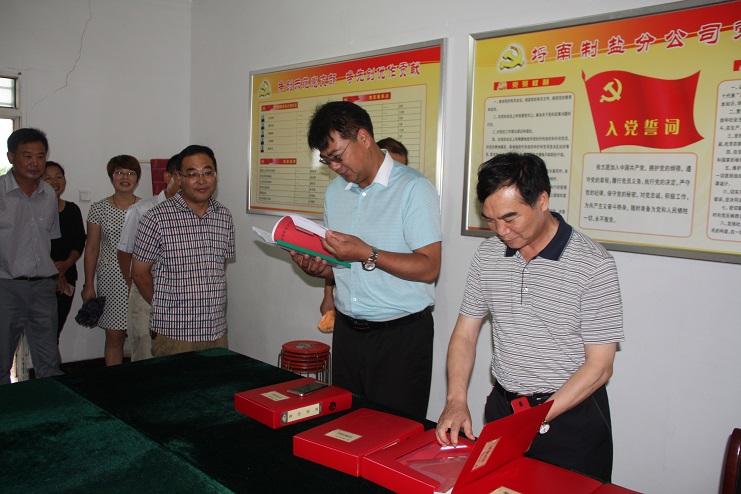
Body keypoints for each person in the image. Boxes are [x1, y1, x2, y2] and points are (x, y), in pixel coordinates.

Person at [435, 152, 624, 482]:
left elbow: (600, 366)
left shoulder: (594, 265)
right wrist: (456, 399)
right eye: (490, 220)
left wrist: (534, 419)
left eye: (510, 218)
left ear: (542, 201)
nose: (501, 231)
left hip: (569, 417)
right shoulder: (488, 255)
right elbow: (465, 333)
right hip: (504, 410)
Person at [291, 101, 441, 418]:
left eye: (337, 156)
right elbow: (342, 263)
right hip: (347, 332)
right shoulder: (335, 192)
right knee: (346, 428)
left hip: (399, 337)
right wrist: (319, 267)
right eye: (327, 160)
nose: (334, 167)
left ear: (363, 137)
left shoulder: (413, 188)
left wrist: (367, 252)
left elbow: (429, 267)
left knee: (394, 432)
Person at [131, 145, 235, 357]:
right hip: (174, 334)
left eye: (207, 173)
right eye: (192, 174)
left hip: (215, 329)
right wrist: (165, 305)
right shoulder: (156, 218)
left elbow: (219, 266)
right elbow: (139, 273)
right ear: (179, 178)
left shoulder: (224, 216)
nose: (202, 181)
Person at [0, 128, 63, 384]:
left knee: (49, 361)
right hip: (6, 287)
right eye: (27, 156)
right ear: (11, 157)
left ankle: (53, 406)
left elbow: (50, 239)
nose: (35, 163)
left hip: (43, 288)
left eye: (40, 156)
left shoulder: (48, 194)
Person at [116, 155, 179, 361]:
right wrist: (134, 285)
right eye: (182, 176)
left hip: (179, 295)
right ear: (168, 176)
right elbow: (125, 252)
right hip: (146, 290)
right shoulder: (143, 209)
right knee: (145, 351)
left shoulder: (193, 211)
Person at [81, 155, 141, 366]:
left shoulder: (147, 208)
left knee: (141, 335)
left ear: (137, 178)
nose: (125, 177)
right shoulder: (98, 208)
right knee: (115, 336)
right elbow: (92, 248)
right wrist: (88, 285)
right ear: (111, 177)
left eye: (130, 173)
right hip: (111, 280)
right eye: (119, 173)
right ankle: (115, 381)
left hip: (140, 278)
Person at [43, 161, 86, 342]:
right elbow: (35, 243)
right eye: (48, 178)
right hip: (41, 277)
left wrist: (66, 265)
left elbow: (79, 241)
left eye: (58, 177)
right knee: (42, 330)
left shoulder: (72, 209)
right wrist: (54, 271)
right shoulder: (35, 210)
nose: (54, 182)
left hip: (67, 276)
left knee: (56, 329)